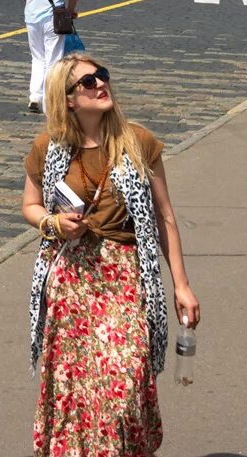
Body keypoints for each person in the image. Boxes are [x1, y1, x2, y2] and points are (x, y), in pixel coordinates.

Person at [23, 55, 199, 457]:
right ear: (68, 99)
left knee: (125, 384)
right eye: (88, 82)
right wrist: (53, 224)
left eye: (102, 76)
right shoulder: (49, 148)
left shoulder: (138, 141)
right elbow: (31, 206)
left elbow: (164, 216)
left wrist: (182, 286)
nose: (100, 84)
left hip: (125, 275)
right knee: (76, 392)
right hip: (71, 278)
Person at [19, 0, 78, 115]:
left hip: (31, 16)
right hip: (54, 16)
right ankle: (48, 100)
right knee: (53, 58)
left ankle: (34, 95)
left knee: (37, 57)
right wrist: (70, 11)